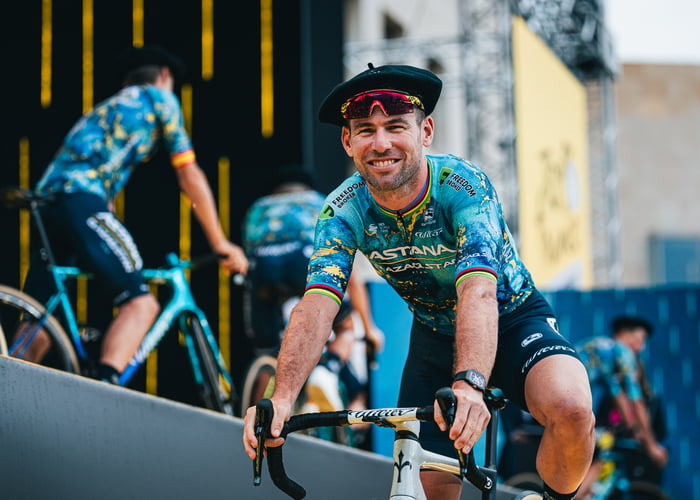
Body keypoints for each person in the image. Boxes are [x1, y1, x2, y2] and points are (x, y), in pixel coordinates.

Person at [242, 63, 594, 500]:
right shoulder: (342, 209)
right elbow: (317, 305)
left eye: (395, 126)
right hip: (434, 339)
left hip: (513, 319)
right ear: (347, 141)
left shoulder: (462, 186)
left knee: (573, 409)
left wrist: (470, 385)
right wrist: (281, 396)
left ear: (426, 131)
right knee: (430, 491)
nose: (381, 143)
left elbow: (478, 289)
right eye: (365, 130)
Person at [21, 44, 248, 383]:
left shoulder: (103, 109)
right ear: (165, 76)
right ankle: (104, 390)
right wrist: (220, 242)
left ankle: (10, 379)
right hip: (81, 201)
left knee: (39, 314)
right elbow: (188, 173)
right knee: (141, 304)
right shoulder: (159, 98)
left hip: (47, 205)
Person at [240, 165, 384, 413]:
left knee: (270, 355)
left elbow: (246, 261)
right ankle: (326, 373)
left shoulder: (257, 209)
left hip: (263, 270)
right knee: (346, 328)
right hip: (303, 263)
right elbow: (350, 276)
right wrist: (369, 328)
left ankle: (257, 419)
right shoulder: (322, 203)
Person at [576, 315, 669, 496]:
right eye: (640, 340)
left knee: (593, 459)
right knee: (598, 459)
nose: (641, 347)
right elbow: (636, 402)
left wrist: (635, 429)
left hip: (564, 404)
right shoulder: (622, 352)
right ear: (625, 334)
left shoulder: (604, 349)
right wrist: (651, 445)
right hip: (572, 408)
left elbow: (620, 399)